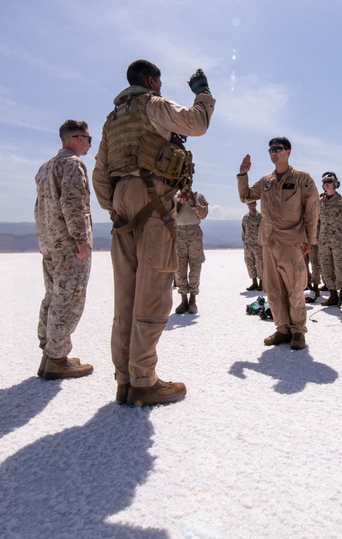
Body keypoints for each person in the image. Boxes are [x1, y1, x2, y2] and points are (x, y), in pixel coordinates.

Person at [92, 60, 215, 407]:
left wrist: (115, 206)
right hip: (154, 202)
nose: (161, 86)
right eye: (158, 81)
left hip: (123, 206)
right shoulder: (153, 104)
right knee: (154, 292)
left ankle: (125, 379)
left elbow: (100, 174)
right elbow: (196, 123)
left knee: (126, 296)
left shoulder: (112, 120)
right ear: (150, 80)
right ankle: (144, 381)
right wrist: (203, 93)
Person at [237, 137, 320, 350]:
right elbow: (245, 196)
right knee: (273, 290)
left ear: (288, 152)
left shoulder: (302, 178)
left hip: (291, 242)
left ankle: (298, 332)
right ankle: (282, 329)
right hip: (268, 242)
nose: (274, 153)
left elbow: (311, 209)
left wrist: (310, 239)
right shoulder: (266, 181)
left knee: (294, 288)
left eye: (278, 149)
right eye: (271, 150)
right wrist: (243, 174)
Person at [34, 119, 95, 380]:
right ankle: (57, 359)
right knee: (69, 299)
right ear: (78, 138)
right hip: (69, 245)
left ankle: (49, 353)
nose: (91, 145)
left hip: (50, 244)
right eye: (89, 140)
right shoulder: (72, 165)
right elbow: (73, 204)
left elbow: (40, 209)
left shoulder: (45, 168)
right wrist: (81, 240)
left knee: (52, 295)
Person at [317, 171, 342, 306]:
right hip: (323, 240)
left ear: (335, 183)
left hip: (339, 240)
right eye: (324, 182)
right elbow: (317, 222)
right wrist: (316, 238)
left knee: (340, 268)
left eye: (329, 182)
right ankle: (332, 294)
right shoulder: (320, 202)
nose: (326, 184)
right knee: (326, 267)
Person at [174, 186, 209, 314]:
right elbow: (169, 215)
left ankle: (193, 299)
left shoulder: (199, 196)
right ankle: (183, 299)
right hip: (179, 233)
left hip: (194, 233)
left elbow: (203, 214)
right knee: (179, 267)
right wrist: (180, 204)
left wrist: (193, 201)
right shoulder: (174, 197)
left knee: (195, 265)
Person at [241, 202, 263, 291]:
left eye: (252, 204)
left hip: (258, 245)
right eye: (248, 204)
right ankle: (254, 283)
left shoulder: (261, 217)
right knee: (249, 263)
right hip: (248, 245)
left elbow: (264, 229)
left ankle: (262, 283)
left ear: (255, 204)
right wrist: (244, 241)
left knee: (260, 264)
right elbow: (243, 230)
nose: (250, 206)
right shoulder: (245, 218)